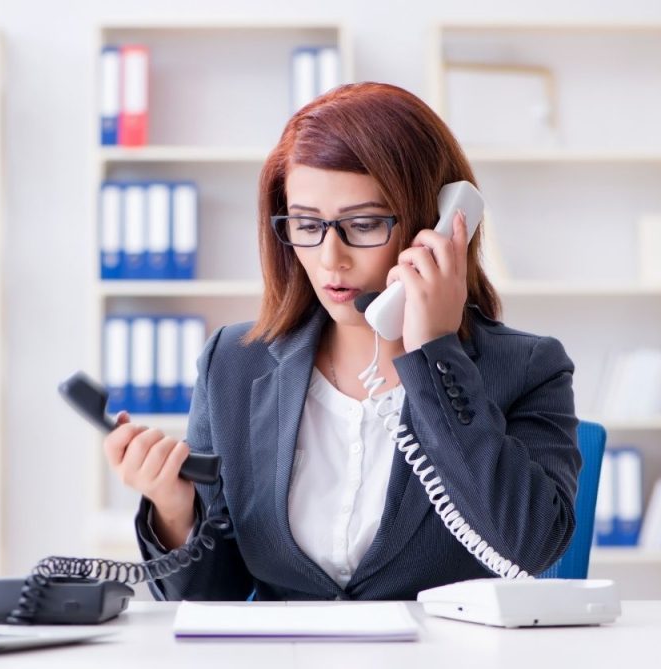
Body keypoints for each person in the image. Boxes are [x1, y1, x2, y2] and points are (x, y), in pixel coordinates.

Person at [103, 82, 581, 601]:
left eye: (364, 223)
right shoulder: (234, 365)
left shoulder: (529, 367)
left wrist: (436, 353)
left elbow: (531, 547)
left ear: (437, 225)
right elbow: (210, 599)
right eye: (307, 224)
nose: (331, 257)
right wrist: (174, 509)